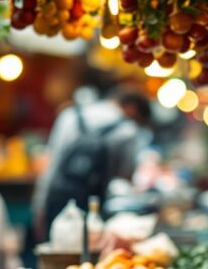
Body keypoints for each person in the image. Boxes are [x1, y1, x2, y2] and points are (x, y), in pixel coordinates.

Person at [32, 87, 152, 240]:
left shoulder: (70, 115)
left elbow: (51, 165)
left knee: (56, 251)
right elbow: (126, 175)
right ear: (133, 108)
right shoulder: (127, 130)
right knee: (89, 258)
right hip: (93, 205)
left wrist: (39, 206)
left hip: (57, 199)